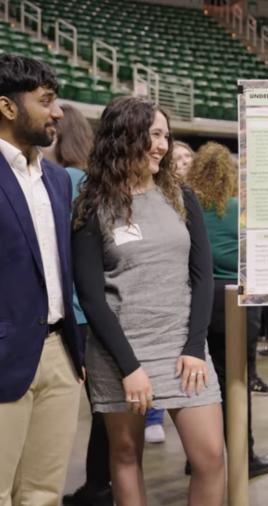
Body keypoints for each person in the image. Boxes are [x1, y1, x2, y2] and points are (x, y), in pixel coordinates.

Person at [72, 96, 225, 506]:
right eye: (153, 135)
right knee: (124, 456)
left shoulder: (181, 197)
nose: (162, 145)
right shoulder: (93, 206)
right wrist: (130, 366)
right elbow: (91, 297)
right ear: (126, 138)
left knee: (210, 456)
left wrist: (195, 346)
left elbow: (201, 276)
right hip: (120, 353)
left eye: (164, 135)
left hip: (181, 348)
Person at [0, 54, 85, 506]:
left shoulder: (57, 179)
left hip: (58, 353)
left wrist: (74, 350)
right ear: (8, 107)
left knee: (43, 494)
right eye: (46, 101)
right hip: (4, 353)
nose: (57, 112)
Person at [186, 141, 268, 478]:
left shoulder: (187, 208)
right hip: (237, 304)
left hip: (197, 301)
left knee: (197, 381)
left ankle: (196, 456)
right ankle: (244, 456)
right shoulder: (240, 210)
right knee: (237, 382)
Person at [39, 103, 114, 506]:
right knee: (105, 408)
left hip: (70, 312)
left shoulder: (61, 179)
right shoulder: (94, 180)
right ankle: (102, 484)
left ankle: (96, 488)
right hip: (100, 308)